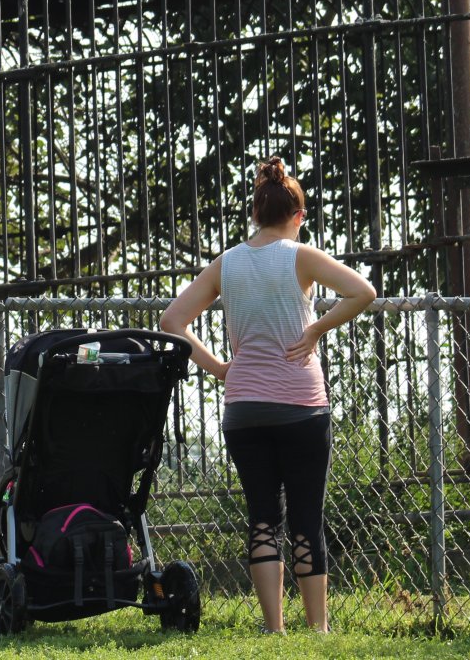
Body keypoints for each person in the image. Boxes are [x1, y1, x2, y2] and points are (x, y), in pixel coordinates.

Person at [158, 158, 375, 634]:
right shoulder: (301, 256)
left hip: (244, 410)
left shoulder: (227, 263)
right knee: (305, 519)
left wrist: (219, 368)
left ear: (255, 215)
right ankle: (317, 628)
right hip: (301, 406)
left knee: (262, 519)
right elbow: (362, 291)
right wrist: (317, 327)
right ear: (297, 216)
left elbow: (172, 321)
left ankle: (272, 628)